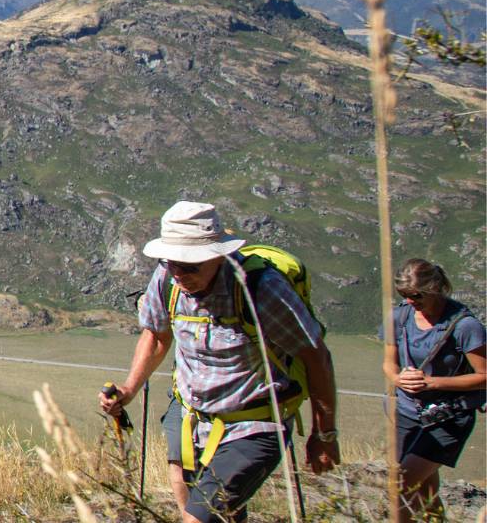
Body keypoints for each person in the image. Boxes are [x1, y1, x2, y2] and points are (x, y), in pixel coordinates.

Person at [100, 201, 339, 523]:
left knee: (199, 518)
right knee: (202, 509)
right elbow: (156, 336)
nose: (180, 274)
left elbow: (316, 356)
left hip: (254, 422)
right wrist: (129, 388)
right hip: (189, 415)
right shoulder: (166, 278)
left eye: (191, 266)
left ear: (217, 254)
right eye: (172, 263)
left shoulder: (262, 290)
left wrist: (324, 435)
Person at [382, 258, 485, 522]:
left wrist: (433, 383)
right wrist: (398, 379)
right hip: (407, 411)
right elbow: (388, 363)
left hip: (448, 416)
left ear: (435, 288)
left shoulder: (465, 327)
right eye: (403, 296)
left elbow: (484, 377)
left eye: (416, 295)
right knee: (425, 491)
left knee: (402, 486)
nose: (409, 301)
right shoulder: (399, 317)